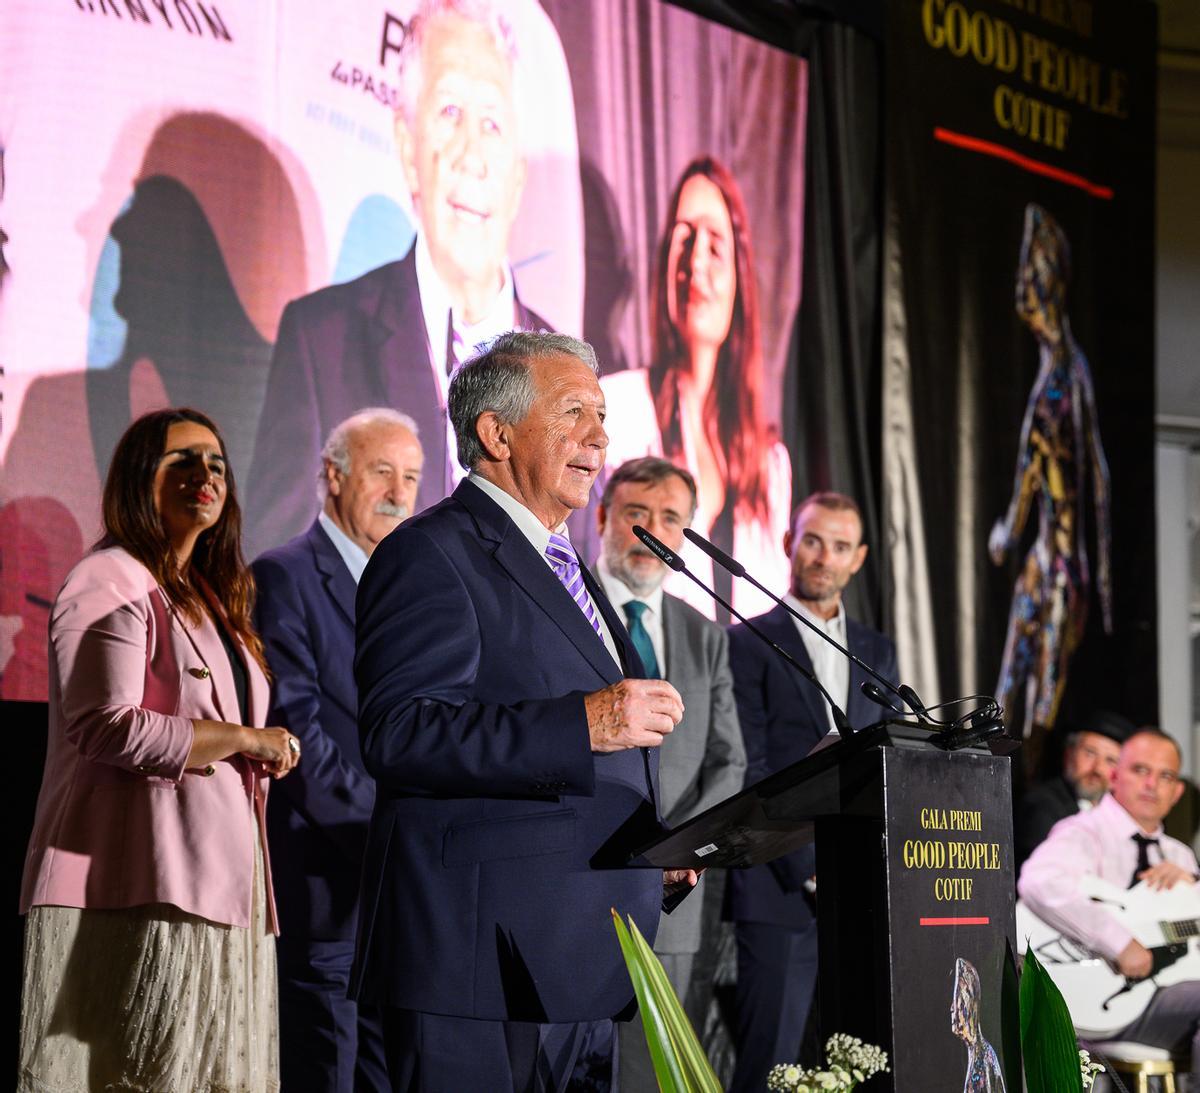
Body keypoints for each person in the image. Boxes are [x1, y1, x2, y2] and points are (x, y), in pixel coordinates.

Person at [350, 331, 697, 1090]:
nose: (600, 437)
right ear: (496, 433)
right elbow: (400, 730)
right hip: (474, 967)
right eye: (574, 411)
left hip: (575, 955)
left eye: (602, 415)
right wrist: (585, 722)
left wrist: (646, 850)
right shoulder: (431, 552)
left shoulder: (564, 561)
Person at [19, 407, 299, 1091]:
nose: (205, 474)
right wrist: (241, 738)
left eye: (217, 462)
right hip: (135, 886)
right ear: (138, 479)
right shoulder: (109, 577)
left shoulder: (213, 595)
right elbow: (104, 724)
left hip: (223, 887)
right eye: (182, 460)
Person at [245, 0, 549, 559]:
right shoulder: (322, 340)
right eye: (449, 112)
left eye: (492, 123)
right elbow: (278, 574)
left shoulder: (566, 375)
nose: (471, 155)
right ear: (408, 148)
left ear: (517, 173)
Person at [252, 408, 424, 1093]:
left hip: (403, 896)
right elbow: (296, 733)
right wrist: (386, 832)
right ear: (333, 475)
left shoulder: (411, 585)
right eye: (382, 470)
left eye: (411, 476)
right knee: (327, 1069)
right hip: (331, 879)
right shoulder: (284, 575)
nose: (399, 491)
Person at [726, 491, 898, 1093]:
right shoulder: (745, 640)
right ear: (788, 544)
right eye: (814, 540)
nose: (824, 556)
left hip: (864, 895)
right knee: (768, 1061)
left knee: (862, 1059)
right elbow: (749, 766)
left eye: (841, 546)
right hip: (779, 888)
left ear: (860, 558)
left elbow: (883, 763)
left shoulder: (877, 651)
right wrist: (808, 867)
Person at [592, 456, 746, 1091]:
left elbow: (727, 758)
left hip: (674, 890)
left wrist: (678, 846)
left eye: (669, 519)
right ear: (602, 517)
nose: (652, 531)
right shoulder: (571, 602)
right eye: (636, 515)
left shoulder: (705, 635)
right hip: (584, 878)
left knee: (653, 1072)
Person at [600, 155, 791, 623]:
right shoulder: (616, 408)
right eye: (682, 239)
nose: (695, 263)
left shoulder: (772, 465)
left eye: (714, 244)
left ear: (739, 279)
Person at [989, 203, 1113, 764]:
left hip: (1060, 565)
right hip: (1050, 558)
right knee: (1008, 696)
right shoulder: (1060, 369)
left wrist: (1007, 531)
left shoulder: (1064, 376)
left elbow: (1061, 473)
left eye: (1032, 279)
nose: (1023, 294)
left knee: (1037, 704)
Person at [1018, 730, 1199, 1079]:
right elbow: (1040, 881)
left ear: (1177, 792)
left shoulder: (1180, 856)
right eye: (1140, 770)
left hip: (1166, 995)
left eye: (1165, 776)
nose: (1152, 785)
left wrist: (1194, 885)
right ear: (1115, 775)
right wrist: (1118, 943)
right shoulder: (1082, 832)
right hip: (1101, 1002)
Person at [1014, 709, 1133, 869]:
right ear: (1069, 754)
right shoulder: (1041, 806)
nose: (1097, 768)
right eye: (1090, 753)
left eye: (1110, 760)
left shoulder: (1121, 815)